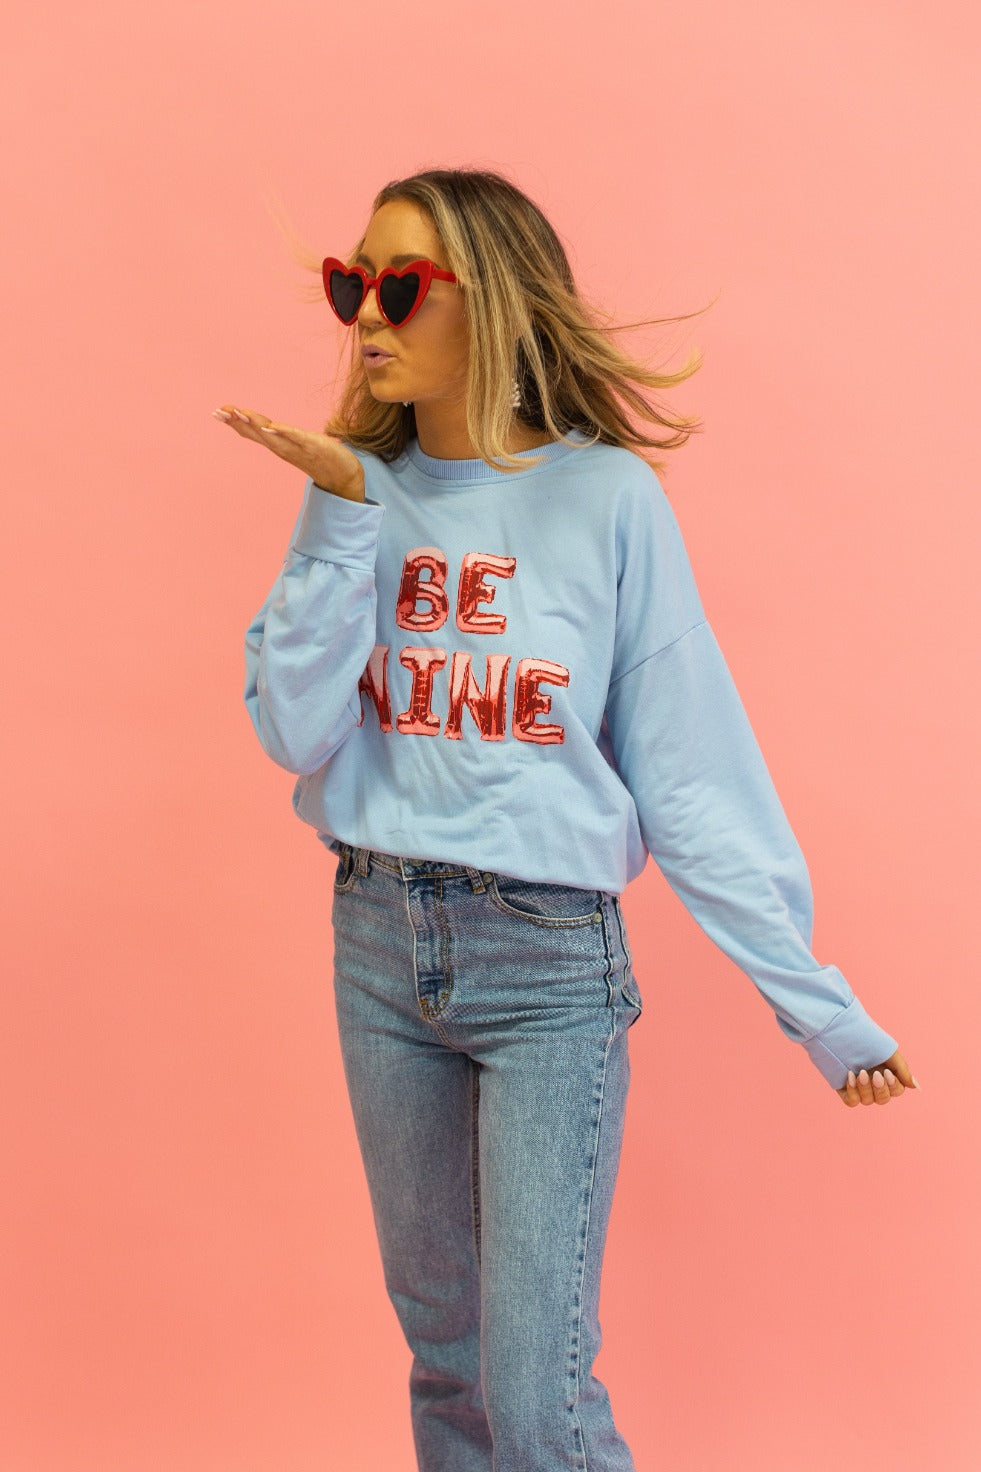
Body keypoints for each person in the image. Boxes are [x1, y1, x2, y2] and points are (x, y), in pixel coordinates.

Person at [216, 168, 918, 1472]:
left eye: (398, 286)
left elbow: (690, 774)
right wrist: (339, 518)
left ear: (493, 301)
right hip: (376, 941)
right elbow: (292, 733)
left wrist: (816, 1005)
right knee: (448, 1365)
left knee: (535, 1394)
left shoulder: (607, 500)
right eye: (348, 283)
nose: (363, 316)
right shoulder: (356, 488)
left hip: (544, 963)